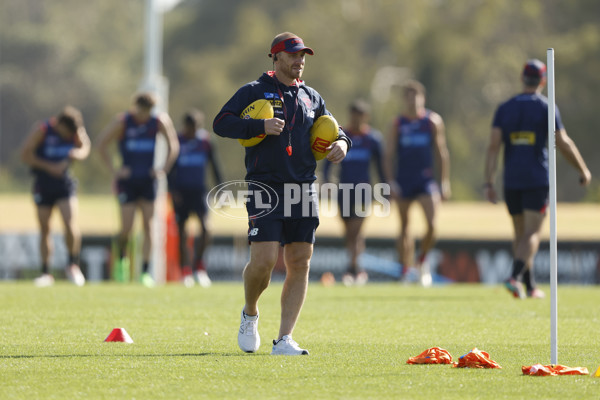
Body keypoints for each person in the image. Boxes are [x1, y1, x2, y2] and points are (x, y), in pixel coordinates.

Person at [213, 32, 351, 355]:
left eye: (303, 55)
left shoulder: (312, 97)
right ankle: (250, 313)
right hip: (266, 187)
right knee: (263, 261)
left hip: (303, 188)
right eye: (293, 55)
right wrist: (258, 128)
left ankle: (284, 339)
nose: (299, 61)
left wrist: (342, 143)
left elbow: (335, 128)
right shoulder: (254, 90)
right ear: (275, 57)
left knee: (300, 261)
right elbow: (221, 123)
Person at [484, 59, 591, 299]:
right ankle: (513, 276)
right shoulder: (546, 107)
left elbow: (493, 147)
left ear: (522, 78)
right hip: (536, 179)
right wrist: (582, 170)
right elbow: (563, 142)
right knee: (532, 234)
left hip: (511, 179)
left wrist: (488, 182)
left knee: (520, 234)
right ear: (543, 81)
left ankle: (529, 286)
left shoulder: (505, 107)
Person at [98, 92, 179, 287]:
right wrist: (115, 171)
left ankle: (144, 272)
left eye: (147, 111)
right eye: (141, 111)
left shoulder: (158, 121)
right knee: (126, 228)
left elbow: (173, 146)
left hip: (148, 181)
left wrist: (163, 169)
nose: (144, 115)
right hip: (128, 182)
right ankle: (121, 264)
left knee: (149, 227)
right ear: (135, 107)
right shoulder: (123, 121)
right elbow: (101, 145)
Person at [384, 80, 451, 286]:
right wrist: (390, 182)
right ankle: (405, 269)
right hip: (404, 180)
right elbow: (388, 155)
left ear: (423, 98)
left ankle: (422, 260)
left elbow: (441, 153)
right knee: (404, 227)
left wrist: (444, 181)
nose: (413, 100)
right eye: (409, 96)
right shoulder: (398, 124)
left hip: (425, 180)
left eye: (416, 96)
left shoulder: (432, 121)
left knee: (432, 225)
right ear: (405, 100)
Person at [21, 106, 91, 287]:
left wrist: (77, 153)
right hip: (43, 184)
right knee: (45, 228)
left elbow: (85, 147)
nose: (68, 135)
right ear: (59, 124)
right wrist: (48, 166)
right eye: (66, 132)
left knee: (70, 222)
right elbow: (25, 155)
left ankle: (73, 265)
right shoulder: (42, 130)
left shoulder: (76, 130)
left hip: (64, 184)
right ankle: (46, 272)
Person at [323, 99, 385, 286]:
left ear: (366, 117)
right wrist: (326, 181)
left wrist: (385, 189)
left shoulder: (373, 139)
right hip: (344, 190)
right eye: (353, 116)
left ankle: (352, 269)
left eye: (360, 116)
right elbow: (327, 163)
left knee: (356, 230)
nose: (356, 120)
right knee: (350, 232)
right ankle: (357, 268)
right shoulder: (341, 137)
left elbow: (381, 167)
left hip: (363, 191)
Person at [168, 109, 223, 287]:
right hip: (181, 193)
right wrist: (172, 190)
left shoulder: (206, 141)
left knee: (206, 229)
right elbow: (170, 169)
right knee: (182, 231)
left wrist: (220, 188)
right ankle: (185, 272)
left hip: (199, 192)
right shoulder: (176, 140)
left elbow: (214, 165)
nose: (192, 132)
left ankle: (199, 266)